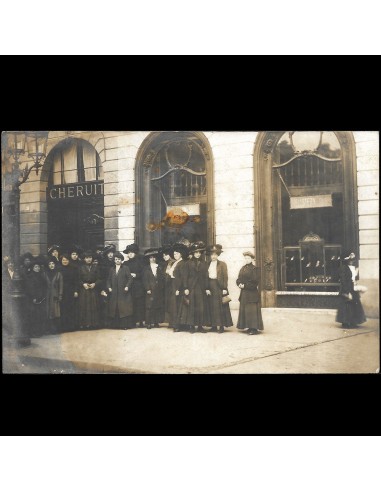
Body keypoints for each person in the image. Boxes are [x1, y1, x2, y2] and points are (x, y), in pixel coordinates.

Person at [181, 241, 209, 334]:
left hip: (200, 287)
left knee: (200, 307)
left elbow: (206, 276)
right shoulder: (188, 263)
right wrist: (185, 288)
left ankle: (200, 326)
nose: (197, 254)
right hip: (191, 287)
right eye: (196, 252)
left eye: (199, 252)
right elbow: (185, 276)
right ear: (193, 253)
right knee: (192, 307)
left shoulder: (204, 263)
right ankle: (192, 326)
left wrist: (207, 288)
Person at [205, 244, 233, 334]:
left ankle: (220, 326)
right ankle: (213, 325)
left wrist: (225, 288)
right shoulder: (207, 264)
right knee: (211, 306)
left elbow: (225, 277)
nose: (213, 256)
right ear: (210, 255)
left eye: (215, 254)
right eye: (212, 254)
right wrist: (207, 288)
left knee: (219, 306)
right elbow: (206, 277)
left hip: (219, 286)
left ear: (218, 255)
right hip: (210, 285)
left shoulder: (222, 264)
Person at [336, 252, 366, 328]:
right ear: (346, 260)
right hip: (346, 288)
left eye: (352, 260)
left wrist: (355, 283)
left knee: (353, 305)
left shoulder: (352, 268)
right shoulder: (343, 268)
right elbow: (343, 280)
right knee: (346, 305)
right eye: (350, 260)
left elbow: (354, 278)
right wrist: (347, 291)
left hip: (352, 287)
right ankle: (346, 322)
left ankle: (353, 321)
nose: (352, 261)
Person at [236, 252, 264, 335]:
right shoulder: (243, 268)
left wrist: (245, 285)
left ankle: (254, 328)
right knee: (246, 310)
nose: (246, 260)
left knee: (252, 311)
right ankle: (248, 326)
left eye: (248, 258)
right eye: (245, 258)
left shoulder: (255, 269)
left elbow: (255, 282)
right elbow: (238, 279)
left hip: (252, 293)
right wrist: (239, 284)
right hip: (244, 293)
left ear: (252, 259)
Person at [106, 252, 133, 329]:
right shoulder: (112, 269)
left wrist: (127, 286)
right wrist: (109, 287)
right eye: (116, 259)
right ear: (114, 260)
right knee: (115, 308)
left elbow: (130, 279)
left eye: (119, 259)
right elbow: (108, 280)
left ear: (121, 260)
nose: (117, 261)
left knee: (123, 309)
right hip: (114, 292)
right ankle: (115, 325)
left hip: (123, 292)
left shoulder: (125, 268)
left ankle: (124, 326)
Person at [123, 243, 146, 327]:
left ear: (135, 253)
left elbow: (143, 273)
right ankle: (132, 321)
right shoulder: (125, 263)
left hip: (138, 285)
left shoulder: (140, 262)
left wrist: (136, 275)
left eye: (132, 252)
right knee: (130, 303)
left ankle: (141, 321)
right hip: (129, 286)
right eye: (128, 253)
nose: (130, 254)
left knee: (139, 303)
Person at [167, 243, 189, 332]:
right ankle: (174, 324)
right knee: (174, 306)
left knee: (178, 306)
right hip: (173, 285)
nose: (175, 255)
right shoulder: (175, 262)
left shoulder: (182, 263)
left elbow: (182, 277)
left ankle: (178, 326)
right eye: (175, 254)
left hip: (178, 286)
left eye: (177, 253)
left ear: (181, 254)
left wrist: (178, 289)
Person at [78, 251, 101, 330]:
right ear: (84, 259)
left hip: (93, 289)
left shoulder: (96, 267)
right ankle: (85, 324)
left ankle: (94, 324)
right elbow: (77, 279)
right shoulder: (81, 268)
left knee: (94, 306)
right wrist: (83, 284)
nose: (88, 259)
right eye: (87, 258)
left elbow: (100, 279)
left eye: (90, 258)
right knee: (84, 307)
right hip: (84, 289)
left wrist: (95, 284)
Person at [142, 248, 165, 329]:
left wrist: (161, 286)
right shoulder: (146, 268)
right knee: (149, 306)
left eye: (154, 257)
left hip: (158, 289)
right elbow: (145, 280)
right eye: (151, 257)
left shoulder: (159, 267)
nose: (153, 259)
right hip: (150, 290)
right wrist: (147, 288)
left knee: (157, 306)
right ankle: (148, 323)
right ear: (148, 259)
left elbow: (162, 278)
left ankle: (156, 322)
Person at [25, 258, 47, 337]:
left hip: (41, 298)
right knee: (33, 316)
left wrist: (43, 295)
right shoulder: (30, 276)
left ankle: (39, 332)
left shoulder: (41, 275)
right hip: (33, 299)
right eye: (35, 267)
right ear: (32, 268)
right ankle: (33, 333)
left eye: (38, 267)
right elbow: (30, 288)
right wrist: (34, 297)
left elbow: (45, 286)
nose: (37, 268)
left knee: (39, 316)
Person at [59, 253, 79, 332]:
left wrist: (76, 291)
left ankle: (71, 326)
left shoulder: (73, 269)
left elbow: (76, 281)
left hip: (71, 291)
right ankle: (63, 327)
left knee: (70, 308)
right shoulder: (59, 269)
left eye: (66, 260)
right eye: (63, 260)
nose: (65, 261)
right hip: (62, 291)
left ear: (69, 261)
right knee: (63, 309)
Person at [43, 259, 63, 334]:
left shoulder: (58, 274)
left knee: (56, 312)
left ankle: (56, 329)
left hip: (55, 295)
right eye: (50, 264)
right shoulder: (45, 274)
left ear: (55, 265)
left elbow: (61, 286)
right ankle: (49, 329)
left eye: (53, 264)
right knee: (48, 312)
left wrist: (60, 295)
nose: (51, 265)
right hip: (48, 295)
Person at [99, 244, 116, 326]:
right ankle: (106, 323)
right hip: (105, 286)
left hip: (115, 286)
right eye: (109, 253)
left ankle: (114, 322)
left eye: (112, 252)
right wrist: (102, 289)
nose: (110, 255)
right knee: (106, 304)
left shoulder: (116, 262)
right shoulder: (102, 264)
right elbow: (101, 277)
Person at [162, 245, 175, 324]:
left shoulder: (172, 263)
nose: (164, 257)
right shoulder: (166, 263)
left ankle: (172, 321)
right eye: (163, 255)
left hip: (171, 285)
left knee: (171, 303)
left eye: (166, 255)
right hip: (167, 286)